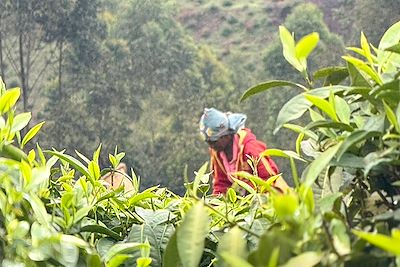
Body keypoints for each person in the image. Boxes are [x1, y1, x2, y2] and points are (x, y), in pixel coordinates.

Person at [199, 107, 289, 195]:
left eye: (214, 141)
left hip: (276, 196)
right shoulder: (217, 153)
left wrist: (245, 189)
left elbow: (269, 178)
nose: (211, 146)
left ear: (225, 135)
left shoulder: (249, 147)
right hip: (246, 202)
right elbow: (221, 184)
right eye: (208, 142)